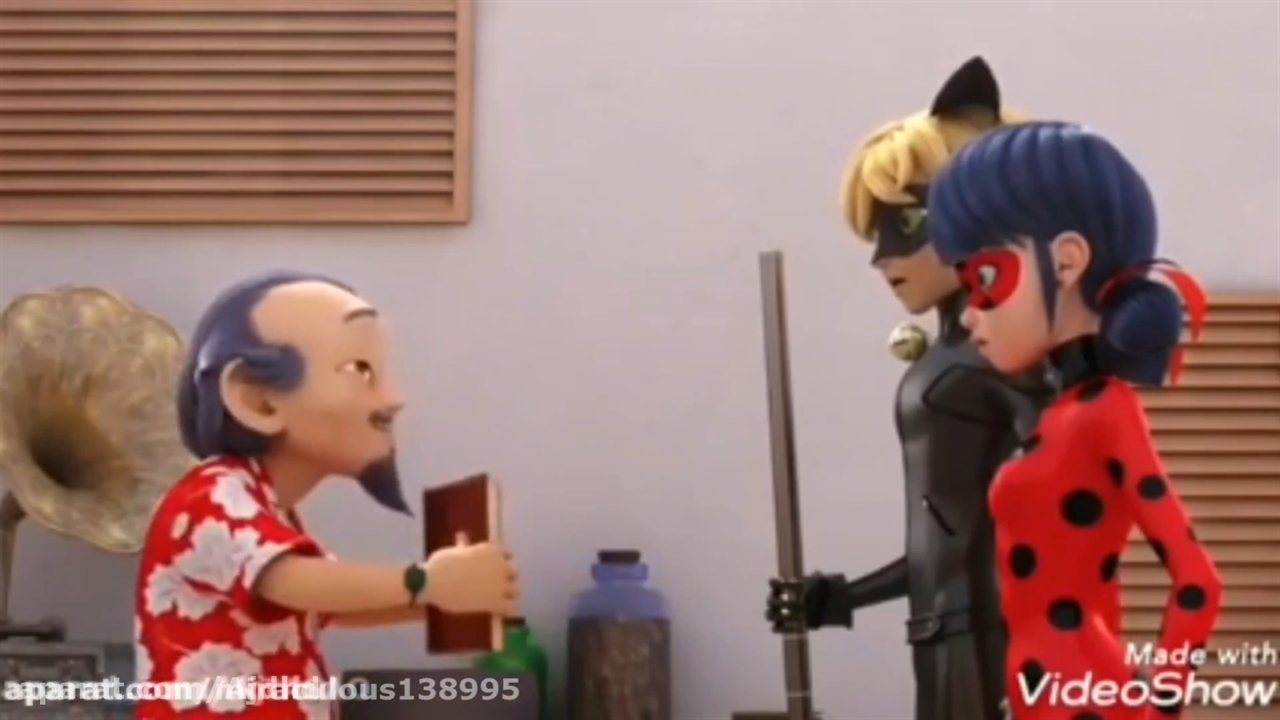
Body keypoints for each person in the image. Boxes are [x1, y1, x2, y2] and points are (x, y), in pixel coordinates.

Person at [764, 57, 1050, 720]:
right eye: (877, 233)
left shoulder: (1009, 352)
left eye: (908, 225)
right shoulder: (958, 351)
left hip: (997, 640)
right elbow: (948, 541)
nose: (882, 257)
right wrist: (843, 597)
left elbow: (1063, 510)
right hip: (942, 631)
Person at [927, 121, 1223, 720]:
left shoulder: (1107, 410)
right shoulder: (1064, 413)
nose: (969, 316)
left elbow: (1199, 582)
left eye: (987, 279)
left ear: (1066, 261)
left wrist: (1159, 711)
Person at [134, 271, 520, 719]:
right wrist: (424, 581)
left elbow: (325, 606)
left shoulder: (271, 512)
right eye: (360, 370)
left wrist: (439, 602)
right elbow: (293, 584)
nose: (393, 399)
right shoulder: (209, 497)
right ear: (257, 400)